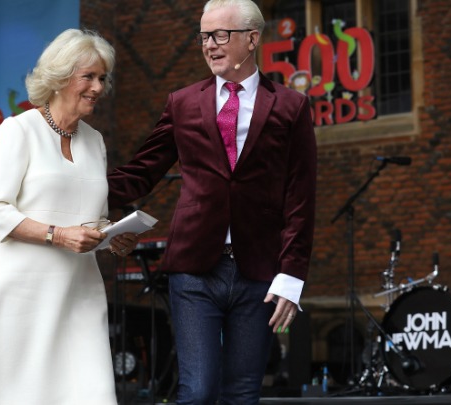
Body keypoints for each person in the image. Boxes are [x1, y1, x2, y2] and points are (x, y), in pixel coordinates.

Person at [107, 0, 317, 403]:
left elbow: (301, 197)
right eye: (204, 36)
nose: (210, 45)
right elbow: (141, 172)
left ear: (252, 39)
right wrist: (75, 188)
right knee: (199, 390)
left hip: (260, 273)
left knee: (241, 392)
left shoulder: (291, 106)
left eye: (221, 35)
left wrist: (291, 277)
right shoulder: (182, 102)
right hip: (194, 269)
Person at [0, 29, 138, 405]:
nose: (97, 87)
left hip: (79, 293)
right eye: (88, 77)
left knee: (87, 394)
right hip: (20, 293)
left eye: (102, 78)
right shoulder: (18, 130)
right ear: (60, 78)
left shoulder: (96, 141)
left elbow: (94, 219)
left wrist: (114, 236)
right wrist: (59, 235)